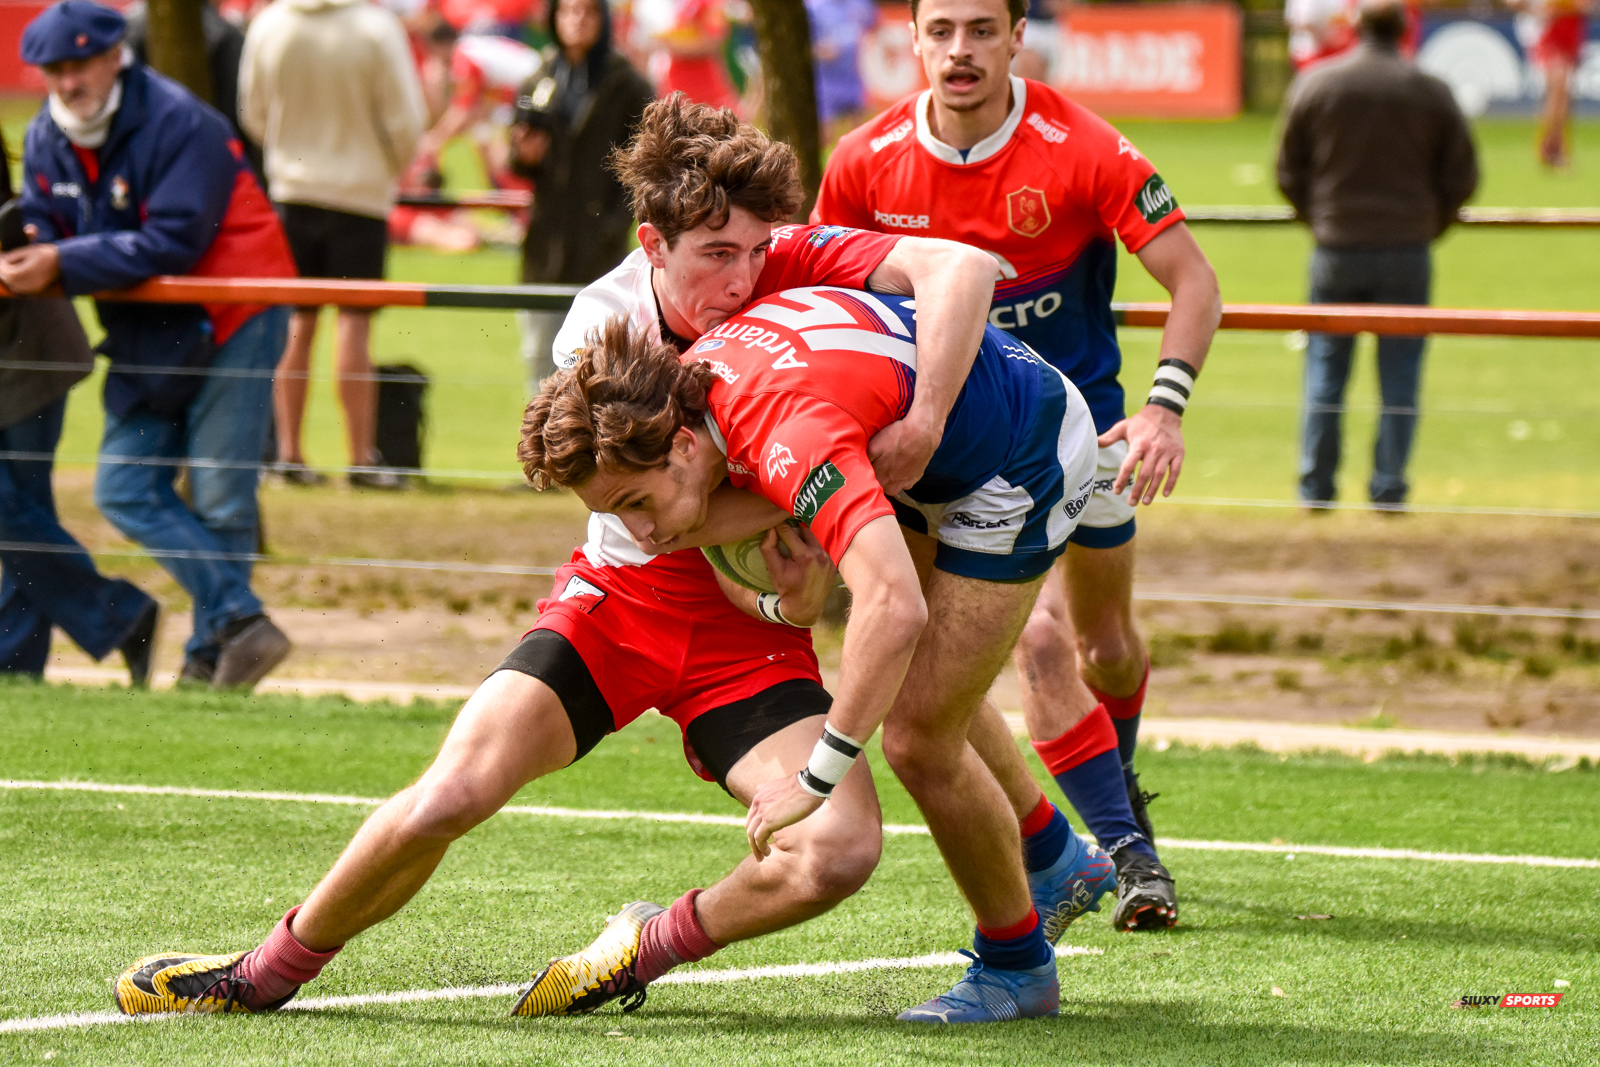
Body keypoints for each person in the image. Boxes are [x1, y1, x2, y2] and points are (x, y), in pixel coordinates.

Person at [110, 96, 1110, 1026]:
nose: (743, 278)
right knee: (456, 788)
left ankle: (650, 941)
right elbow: (660, 514)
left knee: (845, 836)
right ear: (651, 246)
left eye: (755, 251)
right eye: (716, 253)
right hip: (623, 598)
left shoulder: (772, 271)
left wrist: (888, 461)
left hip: (758, 611)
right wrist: (789, 578)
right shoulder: (606, 328)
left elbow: (950, 279)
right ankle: (262, 970)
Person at [521, 272, 1104, 1023]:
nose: (642, 534)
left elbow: (893, 607)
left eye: (634, 503)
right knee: (920, 686)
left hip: (1021, 459)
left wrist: (817, 775)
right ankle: (1056, 855)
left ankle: (1020, 967)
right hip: (945, 436)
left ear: (685, 446)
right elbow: (753, 519)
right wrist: (782, 603)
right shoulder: (701, 395)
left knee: (923, 735)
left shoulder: (782, 432)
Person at [813, 0, 1223, 930]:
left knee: (1104, 647)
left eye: (982, 31)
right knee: (1024, 645)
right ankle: (1123, 854)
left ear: (1016, 37)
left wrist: (1164, 407)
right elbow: (825, 295)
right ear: (911, 40)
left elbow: (1195, 281)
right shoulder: (863, 162)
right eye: (942, 31)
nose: (961, 52)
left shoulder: (1082, 147)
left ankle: (1105, 807)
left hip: (1084, 437)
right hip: (950, 456)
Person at [5, 0, 300, 690]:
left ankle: (209, 659)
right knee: (123, 486)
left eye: (79, 64)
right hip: (151, 325)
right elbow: (43, 227)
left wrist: (60, 263)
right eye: (54, 70)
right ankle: (240, 620)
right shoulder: (47, 133)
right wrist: (30, 253)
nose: (67, 82)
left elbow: (174, 239)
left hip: (237, 309)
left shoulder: (180, 120)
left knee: (223, 495)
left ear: (116, 56)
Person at [1277, 0, 1477, 510]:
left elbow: (1287, 170)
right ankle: (1389, 488)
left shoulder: (1318, 84)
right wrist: (1430, 223)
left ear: (1355, 26)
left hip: (1336, 247)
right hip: (1408, 248)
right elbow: (1462, 174)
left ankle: (1315, 489)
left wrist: (1319, 217)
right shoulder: (1429, 90)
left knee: (1324, 372)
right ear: (1404, 29)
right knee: (1400, 377)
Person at [239, 0, 428, 490]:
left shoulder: (270, 23)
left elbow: (253, 112)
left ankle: (288, 455)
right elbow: (406, 119)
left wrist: (287, 154)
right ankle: (361, 458)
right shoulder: (375, 28)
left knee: (296, 323)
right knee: (354, 325)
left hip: (291, 190)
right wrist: (385, 166)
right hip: (359, 194)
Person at [0, 127, 161, 685]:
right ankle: (36, 651)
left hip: (29, 358)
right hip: (21, 355)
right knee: (21, 508)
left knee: (18, 508)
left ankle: (106, 620)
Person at [508, 0, 654, 395]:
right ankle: (543, 450)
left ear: (602, 19)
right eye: (567, 11)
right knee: (539, 356)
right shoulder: (539, 77)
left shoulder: (628, 85)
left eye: (587, 12)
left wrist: (611, 225)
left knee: (596, 362)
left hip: (599, 250)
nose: (577, 21)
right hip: (545, 243)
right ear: (554, 18)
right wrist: (525, 155)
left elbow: (644, 168)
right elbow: (518, 160)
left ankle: (590, 453)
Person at [123, 0, 264, 180]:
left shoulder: (129, 28)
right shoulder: (225, 36)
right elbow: (237, 114)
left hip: (150, 160)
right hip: (211, 157)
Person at [1511, 0, 1592, 168]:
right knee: (1558, 91)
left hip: (1571, 34)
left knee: (1563, 95)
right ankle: (1550, 147)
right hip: (1551, 34)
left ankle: (1556, 146)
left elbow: (1586, 6)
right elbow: (1515, 3)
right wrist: (1539, 11)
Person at [631, 0, 740, 113]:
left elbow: (712, 42)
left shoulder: (709, 3)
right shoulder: (683, 4)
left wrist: (668, 44)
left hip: (702, 88)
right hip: (678, 89)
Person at [806, 0, 878, 141]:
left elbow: (876, 25)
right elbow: (799, 45)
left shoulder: (861, 4)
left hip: (854, 77)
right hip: (825, 81)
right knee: (825, 136)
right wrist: (820, 50)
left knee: (861, 135)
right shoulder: (812, 8)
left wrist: (870, 45)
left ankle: (858, 162)